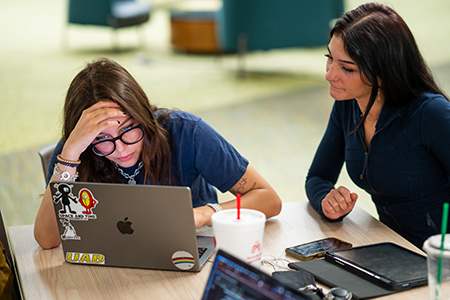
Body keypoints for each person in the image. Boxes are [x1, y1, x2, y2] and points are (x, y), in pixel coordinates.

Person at [34, 58, 282, 249]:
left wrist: (205, 213)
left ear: (142, 113)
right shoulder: (74, 152)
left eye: (128, 129)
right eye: (102, 139)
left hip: (187, 252)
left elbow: (268, 199)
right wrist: (70, 155)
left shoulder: (186, 132)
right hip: (111, 262)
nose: (121, 148)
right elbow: (47, 239)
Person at [305, 2, 450, 249]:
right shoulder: (348, 105)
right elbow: (317, 177)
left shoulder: (430, 114)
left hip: (437, 260)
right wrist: (327, 202)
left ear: (382, 75)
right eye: (330, 58)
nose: (330, 74)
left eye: (346, 68)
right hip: (390, 246)